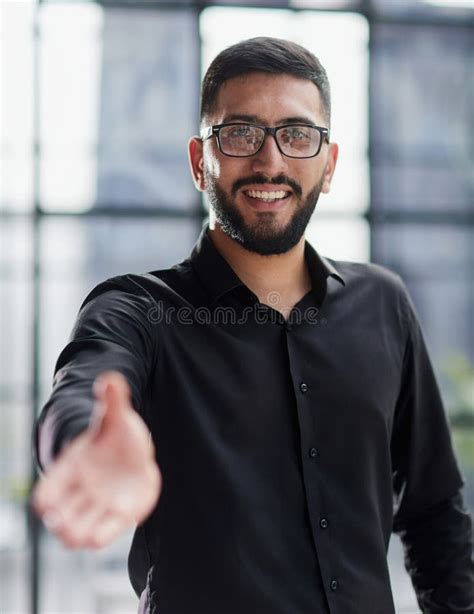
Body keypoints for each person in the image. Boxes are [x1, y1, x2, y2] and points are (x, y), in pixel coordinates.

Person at [33, 37, 473, 614]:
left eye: (297, 135)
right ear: (199, 162)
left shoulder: (383, 303)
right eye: (240, 134)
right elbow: (83, 389)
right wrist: (87, 442)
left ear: (330, 163)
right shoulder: (138, 309)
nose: (270, 162)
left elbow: (434, 512)